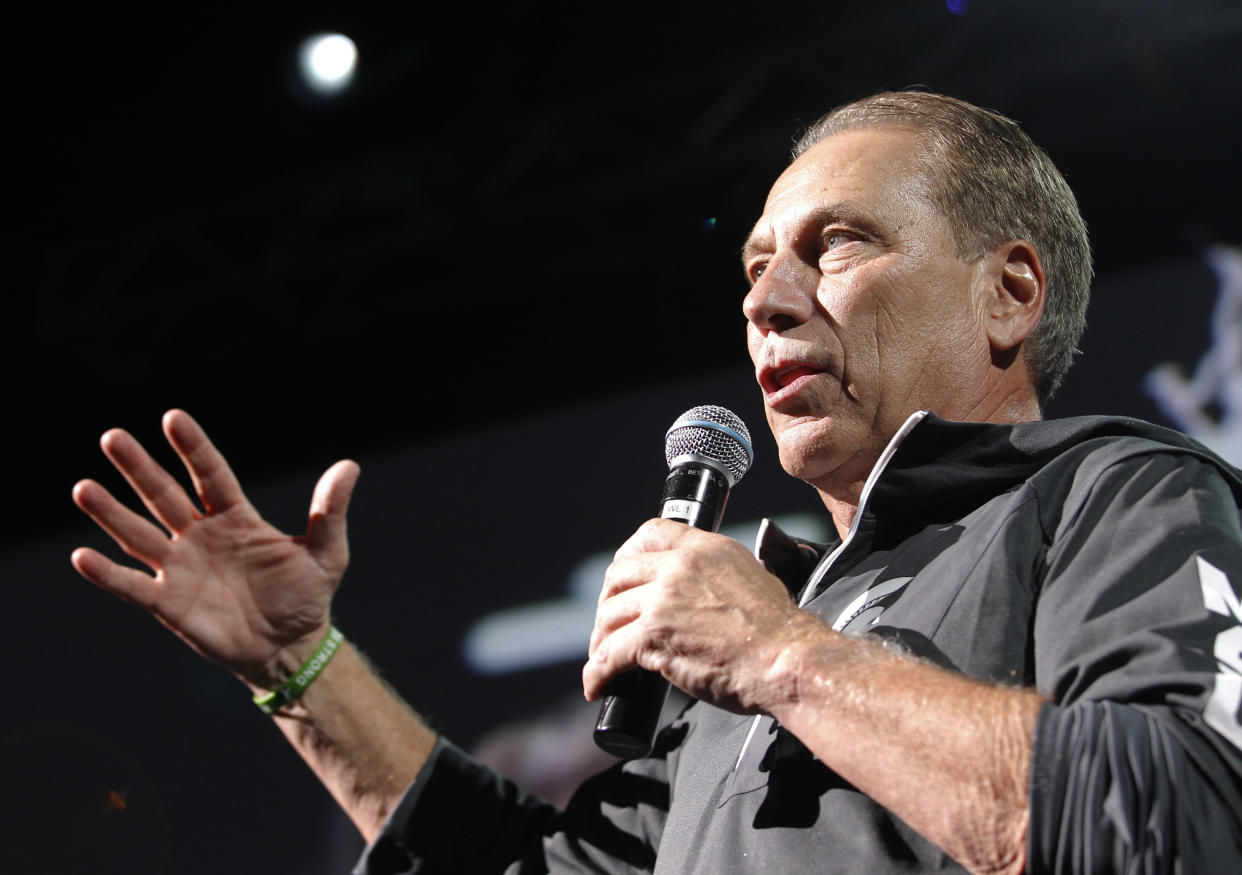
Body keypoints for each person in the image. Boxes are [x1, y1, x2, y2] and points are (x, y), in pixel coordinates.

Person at [71, 91, 1242, 873]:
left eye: (837, 243)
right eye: (755, 266)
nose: (766, 299)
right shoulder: (754, 648)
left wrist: (782, 658)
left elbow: (1181, 821)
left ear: (1011, 291)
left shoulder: (1117, 494)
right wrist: (298, 667)